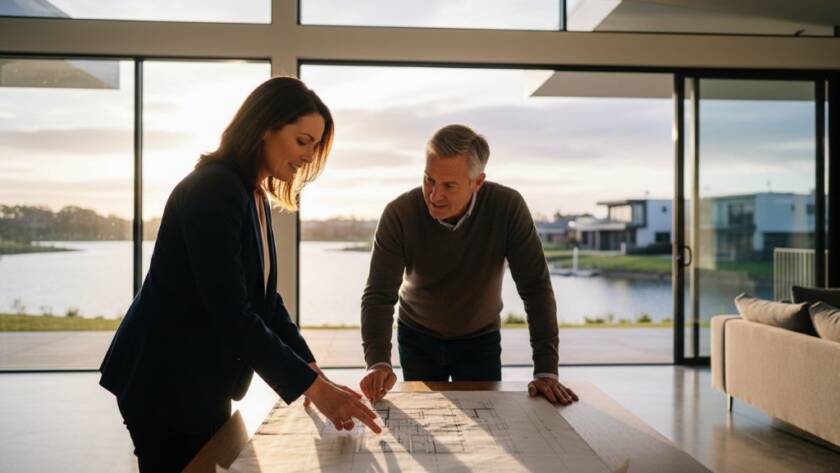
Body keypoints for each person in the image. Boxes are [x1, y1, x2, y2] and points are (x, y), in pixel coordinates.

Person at [99, 77, 380, 473]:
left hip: (199, 377)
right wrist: (314, 388)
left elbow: (265, 302)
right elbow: (233, 314)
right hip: (164, 379)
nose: (308, 156)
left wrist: (314, 375)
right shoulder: (213, 189)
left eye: (315, 146)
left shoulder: (253, 193)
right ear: (265, 127)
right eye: (303, 141)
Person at [359, 124, 579, 405]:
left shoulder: (508, 207)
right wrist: (377, 362)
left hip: (480, 340)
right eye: (429, 180)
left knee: (487, 420)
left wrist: (546, 370)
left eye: (449, 185)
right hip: (417, 337)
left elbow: (536, 288)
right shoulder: (398, 213)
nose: (434, 195)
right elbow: (378, 294)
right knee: (428, 417)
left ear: (477, 182)